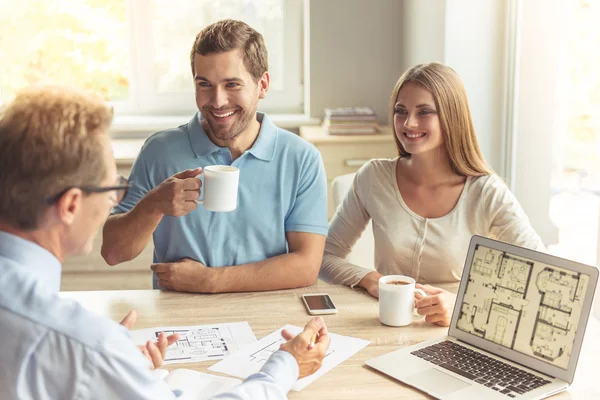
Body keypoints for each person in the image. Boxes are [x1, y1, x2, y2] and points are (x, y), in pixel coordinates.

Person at [0, 84, 331, 399]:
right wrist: (286, 366)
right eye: (110, 188)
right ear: (71, 205)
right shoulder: (85, 345)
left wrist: (115, 369)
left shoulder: (77, 344)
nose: (114, 201)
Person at [101, 19, 328, 293]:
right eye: (204, 84)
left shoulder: (301, 159)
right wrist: (153, 205)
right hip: (179, 316)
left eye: (232, 84)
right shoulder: (160, 151)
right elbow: (113, 252)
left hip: (267, 314)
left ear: (263, 85)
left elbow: (306, 266)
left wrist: (210, 281)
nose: (217, 101)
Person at [319, 63, 544, 326]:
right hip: (386, 327)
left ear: (451, 117)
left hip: (457, 332)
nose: (408, 123)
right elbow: (323, 257)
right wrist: (373, 281)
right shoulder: (373, 177)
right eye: (400, 111)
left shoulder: (487, 192)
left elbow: (541, 276)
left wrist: (462, 303)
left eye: (424, 112)